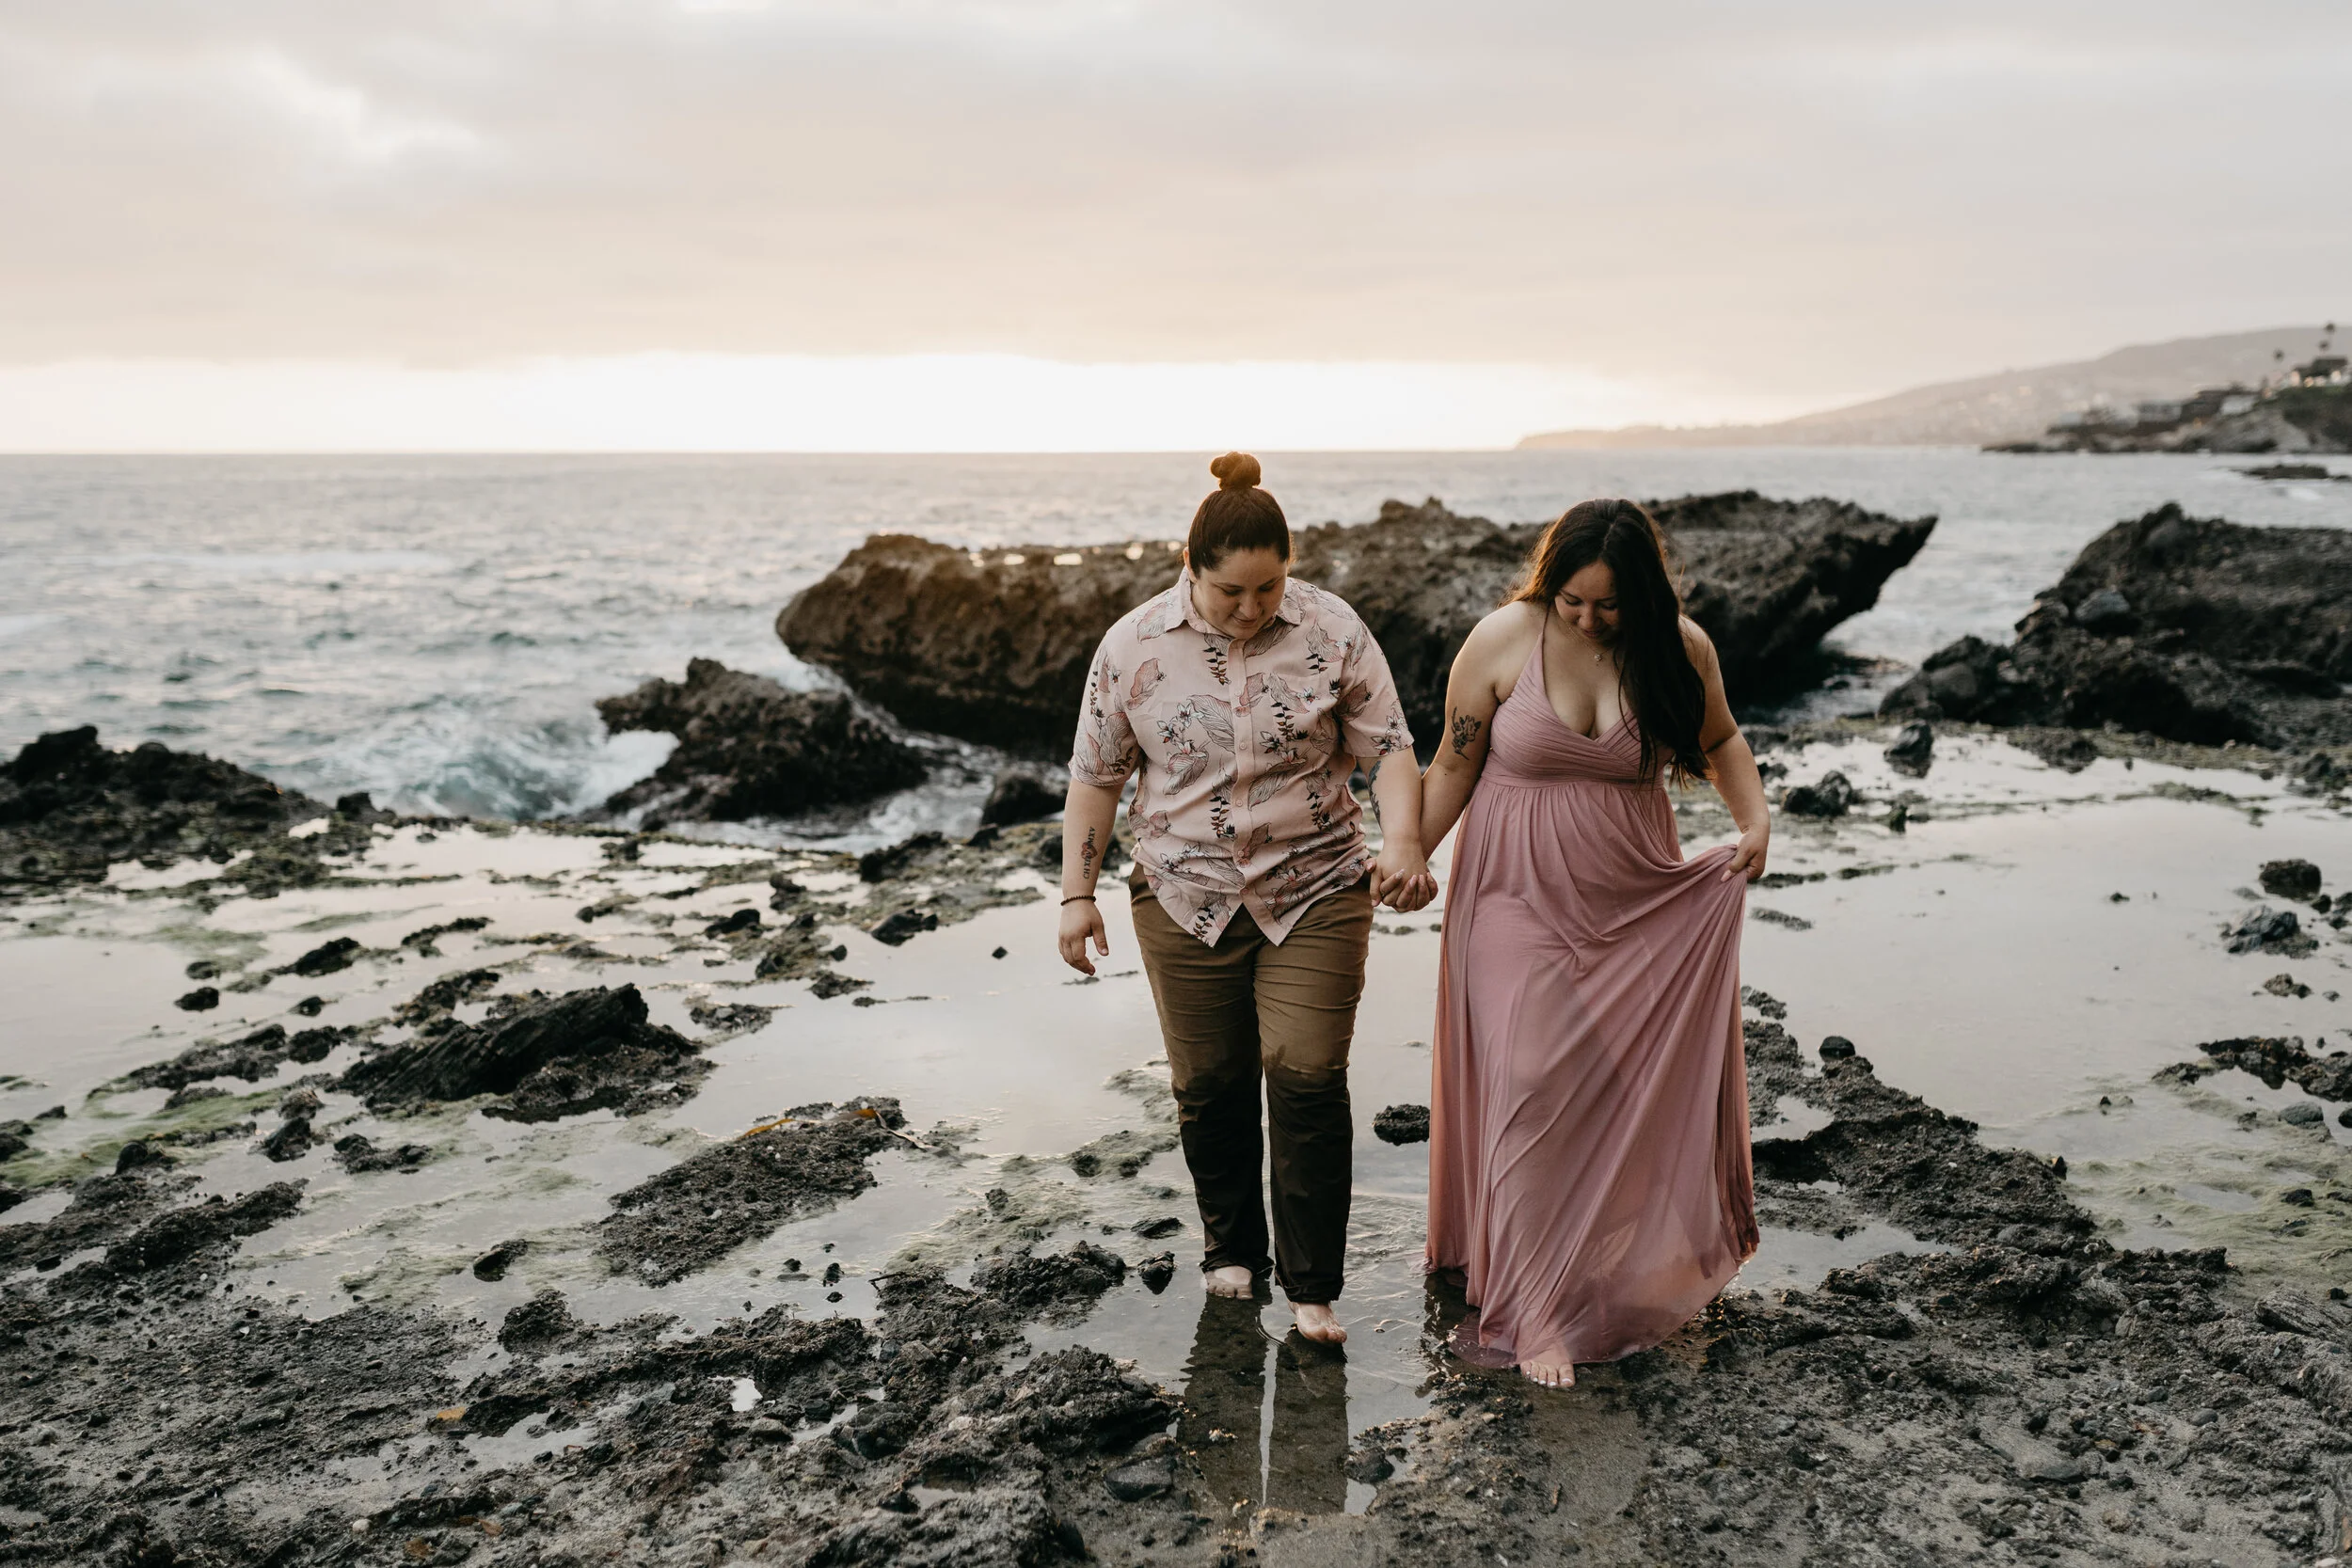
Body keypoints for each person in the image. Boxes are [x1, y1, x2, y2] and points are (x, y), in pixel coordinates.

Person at [1057, 451, 1436, 1345]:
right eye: (1233, 591)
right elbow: (1096, 777)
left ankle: (1312, 1289)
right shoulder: (1132, 645)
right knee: (1210, 1083)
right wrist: (1078, 894)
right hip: (1183, 895)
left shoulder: (1332, 629)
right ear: (1191, 570)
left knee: (1306, 1074)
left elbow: (1390, 749)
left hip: (1317, 885)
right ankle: (1231, 1249)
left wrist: (1406, 841)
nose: (1253, 607)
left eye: (1270, 587)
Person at [1417, 497, 1771, 1388]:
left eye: (1606, 605)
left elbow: (1719, 736)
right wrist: (1403, 855)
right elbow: (1454, 761)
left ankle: (1609, 1257)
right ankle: (1533, 1309)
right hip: (1513, 892)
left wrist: (1754, 818)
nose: (1585, 618)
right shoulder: (1503, 639)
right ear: (1550, 580)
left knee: (1617, 1083)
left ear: (1640, 596)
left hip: (1630, 894)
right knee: (1529, 1075)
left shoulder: (1680, 648)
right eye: (1572, 600)